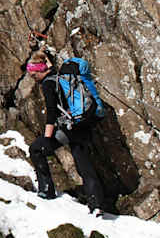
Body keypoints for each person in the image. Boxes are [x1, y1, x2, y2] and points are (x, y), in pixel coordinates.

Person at [26, 46, 105, 212]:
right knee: (83, 163)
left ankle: (46, 190)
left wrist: (47, 139)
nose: (33, 78)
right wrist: (40, 50)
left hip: (70, 128)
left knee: (36, 149)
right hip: (84, 122)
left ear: (40, 71)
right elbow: (49, 63)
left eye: (34, 75)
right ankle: (96, 205)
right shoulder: (59, 76)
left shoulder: (48, 84)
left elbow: (51, 113)